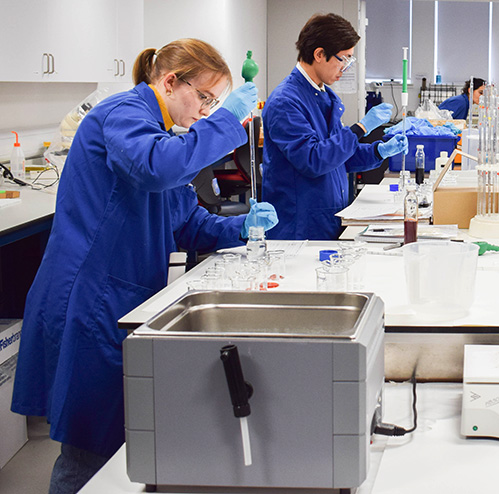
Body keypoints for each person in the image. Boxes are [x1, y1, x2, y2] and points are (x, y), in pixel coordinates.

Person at [10, 39, 278, 493]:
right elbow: (157, 169)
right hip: (90, 299)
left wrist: (240, 226)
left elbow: (185, 221)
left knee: (121, 437)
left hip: (124, 297)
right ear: (170, 82)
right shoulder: (123, 115)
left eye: (216, 103)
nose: (207, 111)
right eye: (205, 98)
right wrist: (227, 122)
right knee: (88, 449)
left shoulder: (163, 133)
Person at [263, 13, 408, 240]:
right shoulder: (286, 102)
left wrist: (378, 151)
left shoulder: (325, 96)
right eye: (344, 59)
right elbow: (313, 160)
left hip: (327, 217)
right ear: (319, 54)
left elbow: (339, 157)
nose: (346, 68)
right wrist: (360, 128)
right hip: (299, 225)